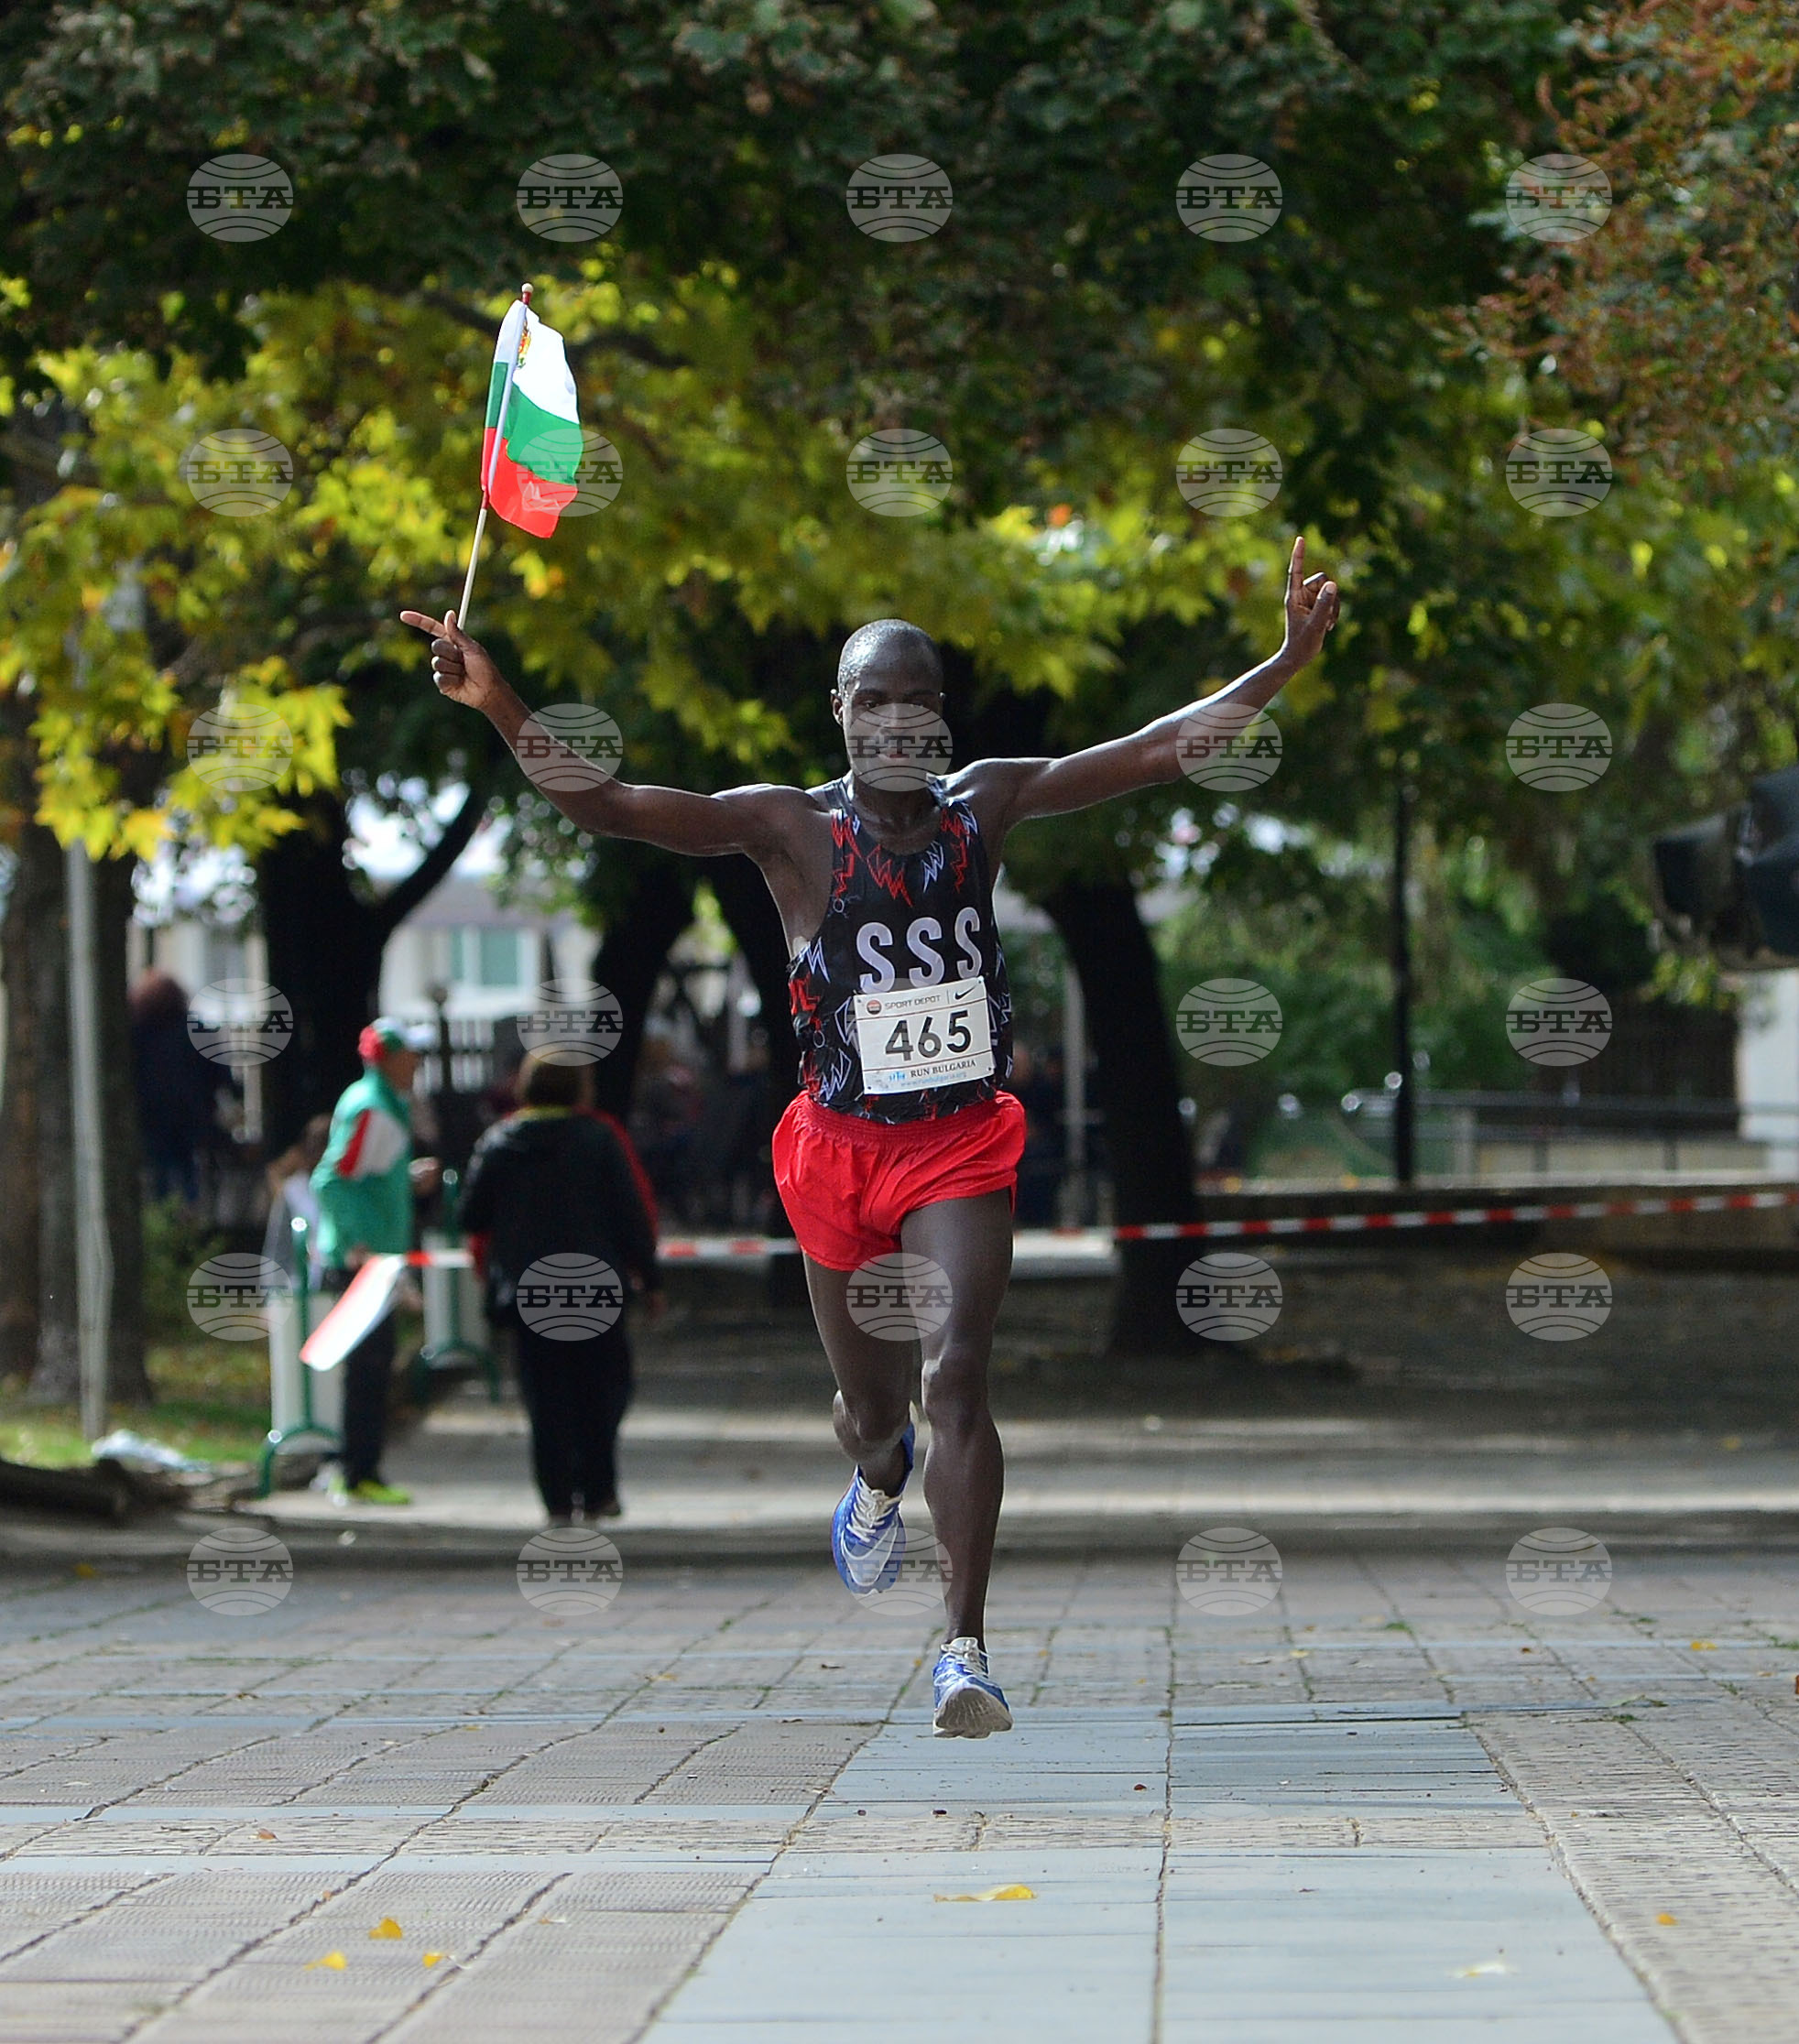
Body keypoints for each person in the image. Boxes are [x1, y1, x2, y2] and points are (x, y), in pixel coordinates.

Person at [402, 535, 1339, 1734]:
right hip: (837, 1152)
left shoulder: (984, 803)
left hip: (959, 1143)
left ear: (940, 716)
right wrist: (499, 702)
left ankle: (963, 1651)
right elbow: (613, 804)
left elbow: (1156, 748)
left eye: (919, 700)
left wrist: (1281, 664)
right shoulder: (788, 827)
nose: (899, 720)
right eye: (874, 700)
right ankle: (873, 1474)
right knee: (874, 1413)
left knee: (959, 1374)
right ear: (840, 714)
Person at [458, 1050, 662, 1524]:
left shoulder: (498, 1142)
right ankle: (599, 1492)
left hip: (530, 1291)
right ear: (579, 1088)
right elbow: (630, 1214)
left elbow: (471, 1215)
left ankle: (556, 1499)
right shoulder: (600, 1139)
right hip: (595, 1288)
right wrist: (650, 1280)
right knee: (603, 1391)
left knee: (545, 1398)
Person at [311, 1018, 442, 1506]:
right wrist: (355, 1243)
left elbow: (362, 1175)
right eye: (411, 1054)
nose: (418, 1063)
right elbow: (330, 1180)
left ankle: (359, 1468)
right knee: (367, 1369)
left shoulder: (381, 1104)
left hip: (375, 1257)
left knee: (373, 1367)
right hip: (364, 1261)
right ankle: (355, 1471)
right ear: (389, 1058)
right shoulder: (374, 1108)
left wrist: (403, 1180)